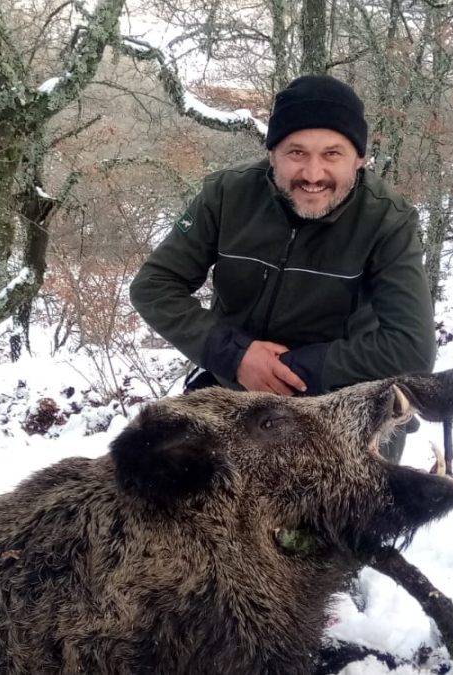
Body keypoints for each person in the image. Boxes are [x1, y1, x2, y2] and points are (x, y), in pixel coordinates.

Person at [129, 74, 435, 462]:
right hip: (234, 399)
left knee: (335, 519)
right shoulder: (226, 195)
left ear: (359, 158)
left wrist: (286, 368)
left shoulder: (388, 220)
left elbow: (412, 349)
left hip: (345, 413)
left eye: (332, 154)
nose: (312, 174)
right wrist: (237, 357)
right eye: (296, 152)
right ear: (272, 152)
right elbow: (153, 285)